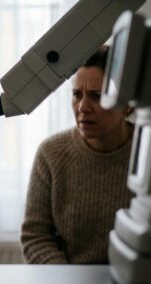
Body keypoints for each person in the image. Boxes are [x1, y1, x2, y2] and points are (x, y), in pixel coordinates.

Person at [20, 46, 134, 264]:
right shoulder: (51, 154)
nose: (82, 108)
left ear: (127, 104)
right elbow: (36, 237)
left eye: (97, 96)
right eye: (76, 94)